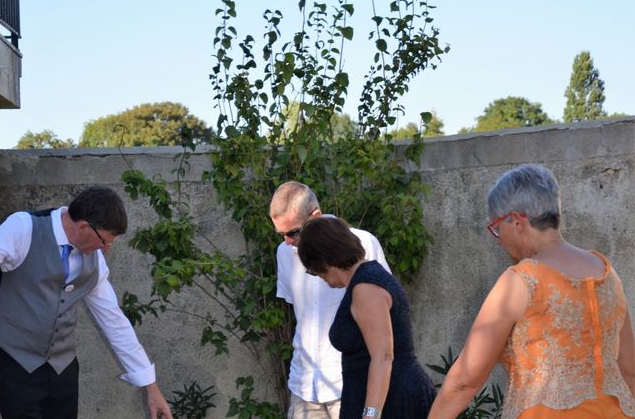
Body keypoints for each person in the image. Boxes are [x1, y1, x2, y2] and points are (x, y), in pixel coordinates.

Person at [428, 164, 635, 419]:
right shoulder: (606, 271)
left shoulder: (520, 280)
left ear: (516, 221)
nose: (498, 239)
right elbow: (629, 369)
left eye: (496, 228)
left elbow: (465, 380)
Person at [0, 186, 172, 419]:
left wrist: (150, 387)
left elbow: (113, 320)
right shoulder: (23, 227)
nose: (106, 250)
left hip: (63, 369)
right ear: (84, 227)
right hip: (14, 363)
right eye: (105, 241)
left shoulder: (94, 259)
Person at [269, 181, 391, 419]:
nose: (287, 241)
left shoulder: (363, 243)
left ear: (315, 215)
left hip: (350, 381)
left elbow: (384, 314)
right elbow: (302, 312)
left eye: (293, 232)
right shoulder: (284, 252)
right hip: (303, 385)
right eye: (281, 234)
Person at [297, 216, 436, 419]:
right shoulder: (367, 278)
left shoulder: (365, 287)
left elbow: (383, 357)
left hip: (393, 400)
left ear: (324, 260)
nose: (318, 276)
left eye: (313, 269)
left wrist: (370, 415)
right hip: (381, 395)